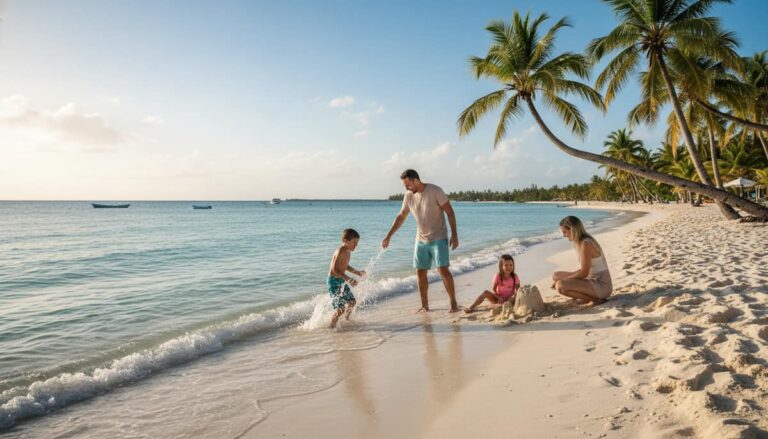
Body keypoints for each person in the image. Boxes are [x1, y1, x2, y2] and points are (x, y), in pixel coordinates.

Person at [382, 169, 460, 313]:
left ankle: (454, 304)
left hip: (439, 236)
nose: (406, 188)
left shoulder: (435, 191)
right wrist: (389, 235)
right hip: (421, 239)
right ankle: (425, 306)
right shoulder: (408, 196)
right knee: (420, 272)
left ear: (416, 180)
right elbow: (401, 216)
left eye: (407, 185)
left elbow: (449, 212)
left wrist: (454, 234)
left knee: (442, 269)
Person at [551, 216, 612, 304]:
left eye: (565, 232)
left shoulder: (586, 244)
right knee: (556, 275)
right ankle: (586, 295)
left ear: (572, 230)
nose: (564, 235)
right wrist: (563, 279)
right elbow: (585, 270)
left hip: (601, 285)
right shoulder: (580, 242)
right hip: (592, 279)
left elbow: (584, 273)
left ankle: (596, 300)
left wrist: (565, 280)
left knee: (560, 285)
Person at [327, 228, 366, 328]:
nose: (356, 245)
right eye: (354, 242)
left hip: (340, 280)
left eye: (357, 243)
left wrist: (357, 272)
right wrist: (348, 279)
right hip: (333, 281)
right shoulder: (340, 251)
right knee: (340, 309)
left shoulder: (348, 252)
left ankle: (346, 320)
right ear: (345, 241)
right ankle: (331, 327)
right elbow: (334, 269)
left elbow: (345, 266)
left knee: (352, 302)